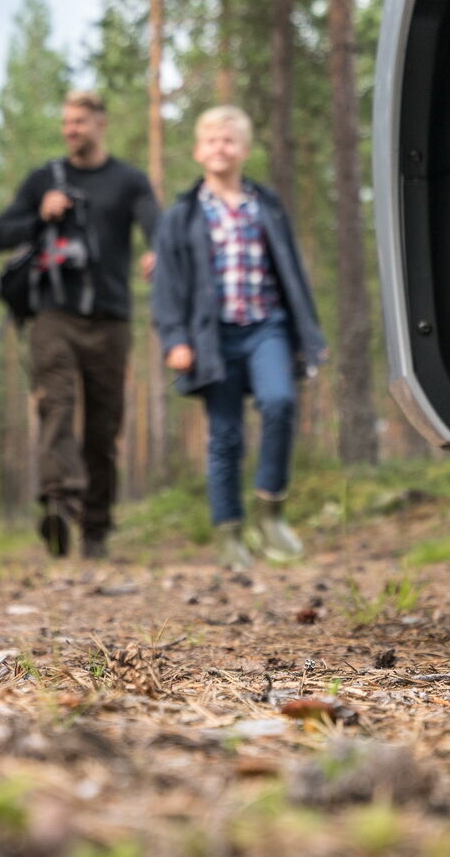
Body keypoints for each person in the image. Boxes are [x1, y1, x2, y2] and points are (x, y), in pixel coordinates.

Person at [151, 106, 327, 569]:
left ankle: (271, 510)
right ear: (197, 151)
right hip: (213, 337)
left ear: (244, 150)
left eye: (229, 141)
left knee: (279, 401)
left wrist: (307, 332)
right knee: (225, 435)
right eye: (211, 140)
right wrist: (175, 340)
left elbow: (291, 272)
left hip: (266, 325)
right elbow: (166, 284)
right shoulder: (183, 215)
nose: (220, 148)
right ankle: (229, 532)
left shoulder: (264, 206)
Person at [0, 90, 160, 559]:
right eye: (66, 122)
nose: (70, 130)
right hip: (54, 314)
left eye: (79, 121)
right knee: (57, 409)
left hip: (111, 319)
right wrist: (37, 215)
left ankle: (97, 528)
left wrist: (158, 250)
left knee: (105, 426)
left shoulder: (128, 179)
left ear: (101, 123)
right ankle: (61, 507)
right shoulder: (45, 178)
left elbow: (155, 222)